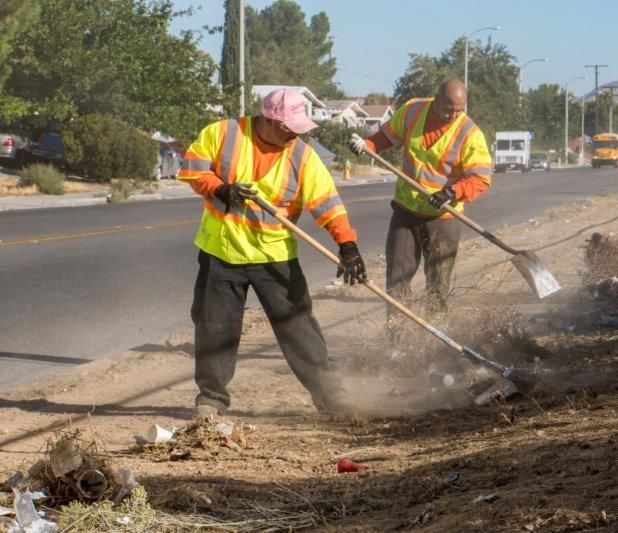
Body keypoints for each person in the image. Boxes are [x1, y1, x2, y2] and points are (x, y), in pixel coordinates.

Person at [178, 88, 367, 417]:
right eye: (289, 127)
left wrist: (347, 245)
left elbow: (327, 204)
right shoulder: (223, 133)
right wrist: (221, 188)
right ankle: (211, 399)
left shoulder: (303, 156)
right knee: (215, 329)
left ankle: (332, 395)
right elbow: (193, 169)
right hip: (222, 252)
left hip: (275, 256)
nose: (295, 133)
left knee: (299, 328)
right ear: (268, 120)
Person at [348, 79, 492, 330]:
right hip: (406, 212)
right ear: (435, 99)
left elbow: (480, 178)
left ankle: (435, 338)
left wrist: (451, 192)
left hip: (442, 218)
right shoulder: (413, 110)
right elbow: (386, 136)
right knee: (397, 279)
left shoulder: (470, 133)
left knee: (437, 284)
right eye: (449, 108)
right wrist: (367, 145)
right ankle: (397, 339)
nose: (454, 114)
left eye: (460, 109)